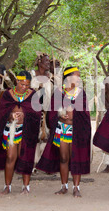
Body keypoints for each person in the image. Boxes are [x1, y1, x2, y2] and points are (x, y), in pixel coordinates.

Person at [36, 66, 92, 198]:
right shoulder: (59, 93)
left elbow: (85, 112)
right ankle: (64, 186)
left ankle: (76, 187)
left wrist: (74, 111)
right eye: (76, 76)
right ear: (68, 78)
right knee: (63, 158)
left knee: (76, 157)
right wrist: (60, 115)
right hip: (62, 129)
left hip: (76, 130)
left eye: (79, 76)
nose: (79, 79)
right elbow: (52, 113)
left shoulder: (81, 93)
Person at [0, 71, 42, 194]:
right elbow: (1, 113)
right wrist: (11, 116)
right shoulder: (7, 94)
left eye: (27, 85)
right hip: (10, 129)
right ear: (17, 81)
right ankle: (7, 186)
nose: (25, 87)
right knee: (10, 157)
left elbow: (37, 114)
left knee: (26, 156)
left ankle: (26, 187)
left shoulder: (33, 95)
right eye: (22, 84)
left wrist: (25, 115)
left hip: (27, 130)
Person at [30, 52, 53, 170]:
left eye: (49, 61)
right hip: (33, 112)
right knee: (34, 137)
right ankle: (33, 163)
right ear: (39, 62)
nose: (48, 63)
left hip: (46, 112)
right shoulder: (32, 75)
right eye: (46, 61)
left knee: (45, 136)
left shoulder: (51, 77)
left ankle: (43, 164)